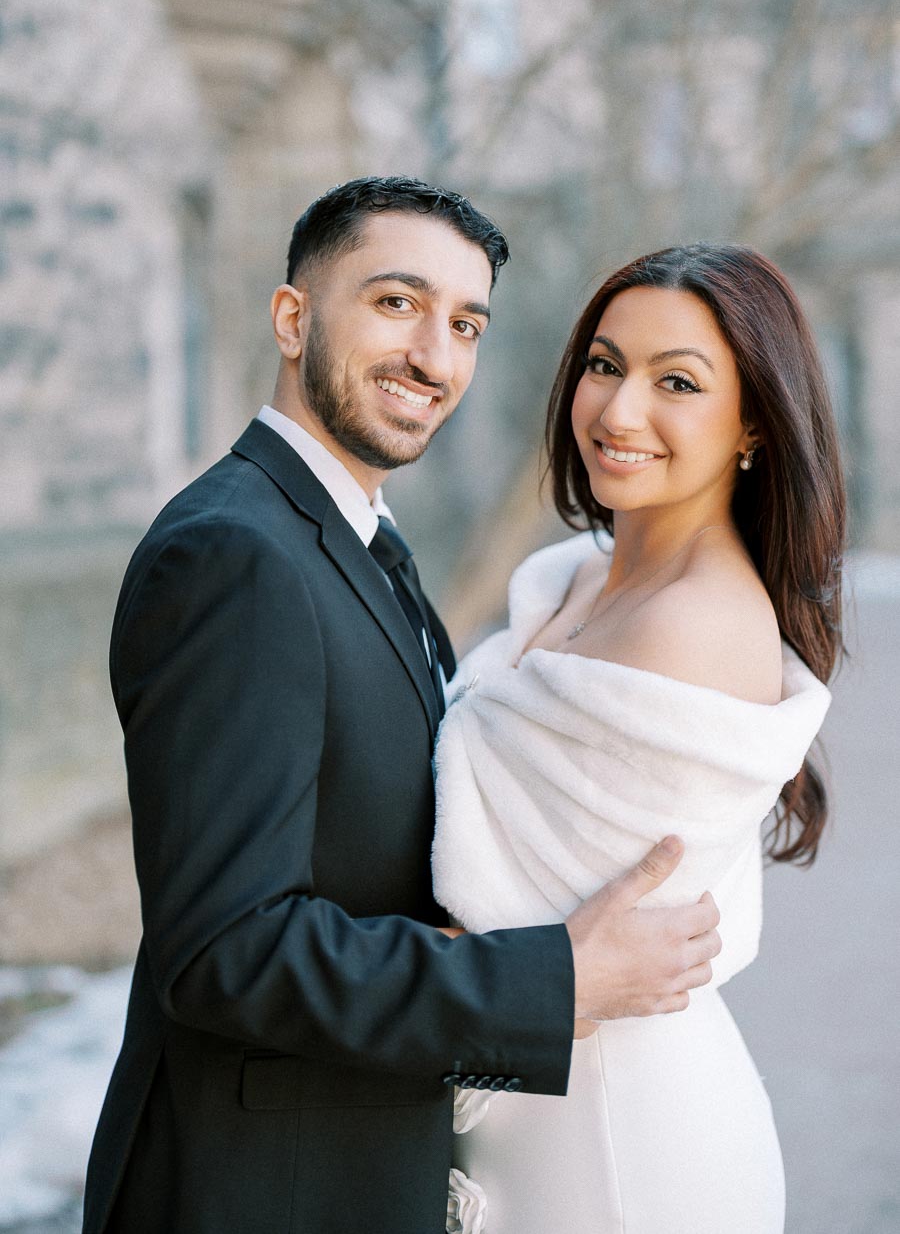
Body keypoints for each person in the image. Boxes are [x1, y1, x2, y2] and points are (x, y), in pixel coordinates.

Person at [82, 180, 723, 1234]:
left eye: (465, 323)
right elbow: (226, 953)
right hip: (258, 1191)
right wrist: (550, 980)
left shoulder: (357, 542)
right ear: (293, 320)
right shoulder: (234, 556)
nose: (436, 355)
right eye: (396, 303)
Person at [433, 243, 845, 1233]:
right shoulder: (581, 578)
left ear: (753, 422)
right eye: (605, 365)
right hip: (535, 1093)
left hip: (622, 1139)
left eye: (678, 383)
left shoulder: (691, 623)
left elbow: (507, 914)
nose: (618, 413)